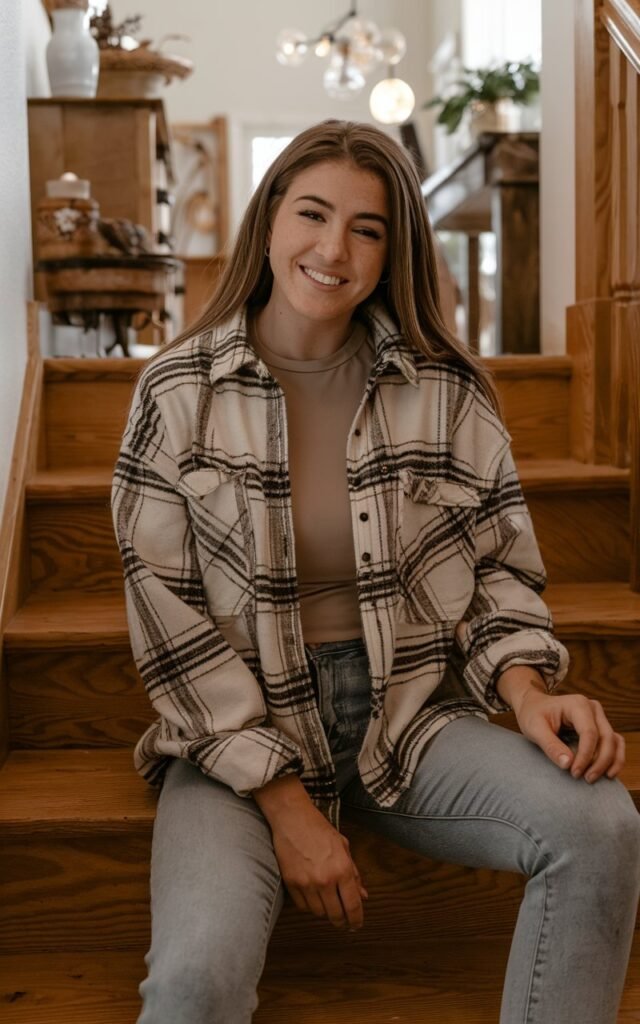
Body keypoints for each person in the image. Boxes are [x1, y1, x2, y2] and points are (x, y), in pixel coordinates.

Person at [111, 119, 640, 1024]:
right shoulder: (177, 391)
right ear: (270, 216)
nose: (333, 248)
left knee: (602, 827)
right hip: (237, 736)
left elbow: (500, 567)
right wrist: (286, 805)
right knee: (194, 983)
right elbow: (169, 625)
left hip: (406, 713)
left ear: (394, 252)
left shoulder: (446, 389)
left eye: (368, 228)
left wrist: (523, 689)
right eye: (313, 212)